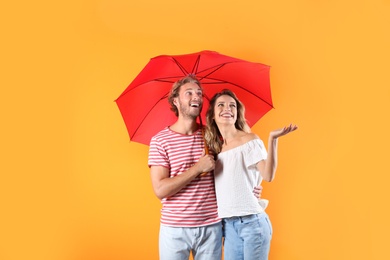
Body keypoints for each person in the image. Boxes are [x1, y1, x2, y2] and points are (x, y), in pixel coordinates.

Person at [148, 76, 262, 260]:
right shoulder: (160, 141)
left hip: (212, 228)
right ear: (175, 100)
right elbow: (160, 190)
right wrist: (197, 168)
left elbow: (234, 168)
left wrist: (249, 188)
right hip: (174, 229)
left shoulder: (212, 136)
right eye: (189, 93)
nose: (197, 97)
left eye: (199, 93)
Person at [204, 89, 298, 260]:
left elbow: (268, 175)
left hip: (253, 224)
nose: (228, 108)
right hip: (229, 226)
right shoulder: (216, 150)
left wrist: (272, 139)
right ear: (212, 115)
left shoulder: (249, 140)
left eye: (232, 105)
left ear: (237, 113)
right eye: (221, 105)